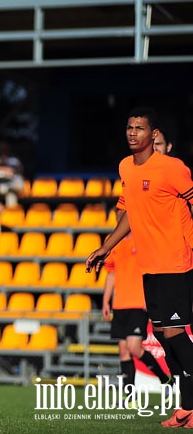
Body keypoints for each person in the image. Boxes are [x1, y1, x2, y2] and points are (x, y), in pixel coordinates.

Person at [86, 107, 193, 428]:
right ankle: (187, 407)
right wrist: (106, 247)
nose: (133, 133)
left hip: (175, 261)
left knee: (173, 333)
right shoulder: (125, 168)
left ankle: (189, 403)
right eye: (129, 127)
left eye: (140, 128)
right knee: (161, 333)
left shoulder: (172, 168)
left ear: (154, 133)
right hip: (149, 264)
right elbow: (129, 212)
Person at [101, 233, 171, 386]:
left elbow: (153, 270)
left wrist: (151, 297)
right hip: (119, 305)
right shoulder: (112, 240)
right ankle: (130, 398)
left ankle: (164, 379)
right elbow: (111, 273)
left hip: (139, 303)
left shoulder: (142, 238)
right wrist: (106, 301)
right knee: (124, 352)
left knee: (134, 348)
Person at [0, 140, 25, 206]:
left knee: (10, 193)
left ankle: (11, 213)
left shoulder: (14, 159)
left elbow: (12, 170)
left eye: (5, 148)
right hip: (1, 185)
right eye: (1, 148)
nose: (3, 150)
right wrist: (1, 167)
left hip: (15, 184)